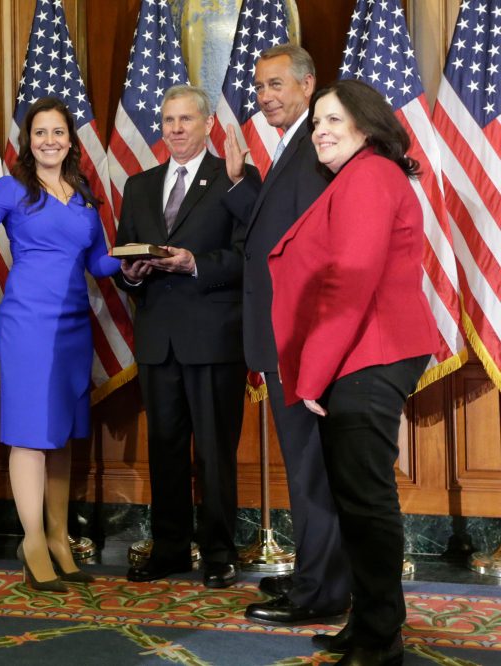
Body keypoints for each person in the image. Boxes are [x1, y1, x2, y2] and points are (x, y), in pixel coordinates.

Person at [269, 79, 439, 666]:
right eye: (316, 122)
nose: (320, 130)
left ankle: (379, 636)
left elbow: (351, 280)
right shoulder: (359, 177)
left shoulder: (369, 176)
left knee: (366, 502)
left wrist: (311, 375)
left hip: (371, 352)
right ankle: (367, 623)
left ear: (365, 126)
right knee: (355, 499)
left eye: (333, 120)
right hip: (362, 351)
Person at [0, 98, 119, 592]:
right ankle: (33, 541)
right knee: (30, 433)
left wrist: (136, 260)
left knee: (62, 433)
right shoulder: (10, 189)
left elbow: (98, 262)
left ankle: (61, 539)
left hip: (73, 326)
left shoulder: (84, 195)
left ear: (70, 140)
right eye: (39, 132)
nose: (49, 140)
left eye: (58, 132)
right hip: (27, 325)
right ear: (28, 141)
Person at [223, 44, 351, 623]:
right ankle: (313, 577)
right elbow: (276, 230)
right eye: (260, 86)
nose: (265, 95)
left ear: (308, 84)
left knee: (310, 471)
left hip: (299, 342)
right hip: (283, 340)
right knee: (307, 469)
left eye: (276, 84)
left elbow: (314, 253)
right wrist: (240, 181)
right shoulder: (292, 147)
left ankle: (319, 594)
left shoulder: (315, 147)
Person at [115, 85, 259, 589]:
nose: (175, 129)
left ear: (206, 126)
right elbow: (122, 262)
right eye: (168, 120)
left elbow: (250, 257)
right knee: (165, 447)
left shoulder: (235, 179)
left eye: (185, 120)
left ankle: (219, 553)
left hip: (215, 339)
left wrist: (194, 262)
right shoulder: (139, 185)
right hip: (158, 340)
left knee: (215, 452)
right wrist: (131, 274)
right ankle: (170, 548)